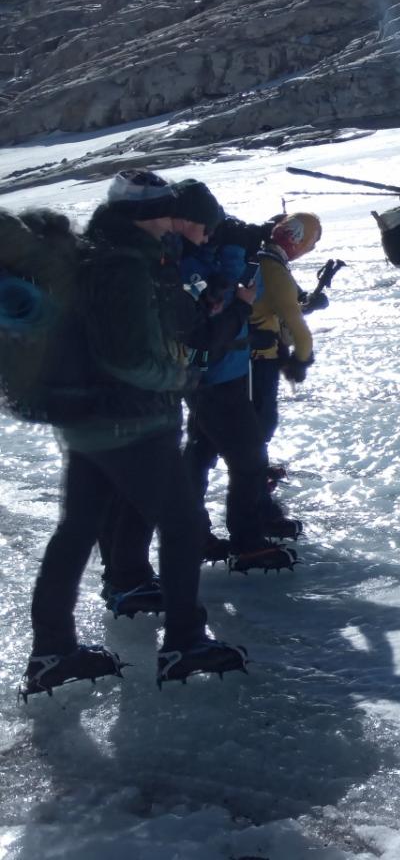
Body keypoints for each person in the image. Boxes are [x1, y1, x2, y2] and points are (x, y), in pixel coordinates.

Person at [23, 170, 248, 698]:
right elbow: (126, 357)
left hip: (86, 420)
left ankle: (51, 651)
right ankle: (184, 642)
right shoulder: (126, 265)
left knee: (76, 530)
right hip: (129, 421)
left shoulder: (98, 252)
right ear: (150, 215)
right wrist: (179, 377)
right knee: (184, 522)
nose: (176, 220)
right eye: (169, 211)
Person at [176, 182, 300, 572]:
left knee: (199, 454)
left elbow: (230, 286)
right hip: (214, 377)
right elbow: (219, 300)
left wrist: (240, 246)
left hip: (216, 375)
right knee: (248, 460)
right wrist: (233, 251)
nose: (211, 234)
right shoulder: (185, 262)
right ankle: (247, 542)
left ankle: (192, 534)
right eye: (207, 228)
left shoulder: (194, 252)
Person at [247, 213, 320, 448]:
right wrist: (300, 360)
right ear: (298, 241)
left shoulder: (258, 257)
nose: (310, 249)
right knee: (261, 420)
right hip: (259, 357)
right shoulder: (275, 270)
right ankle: (255, 469)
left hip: (242, 355)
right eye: (310, 244)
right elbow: (300, 332)